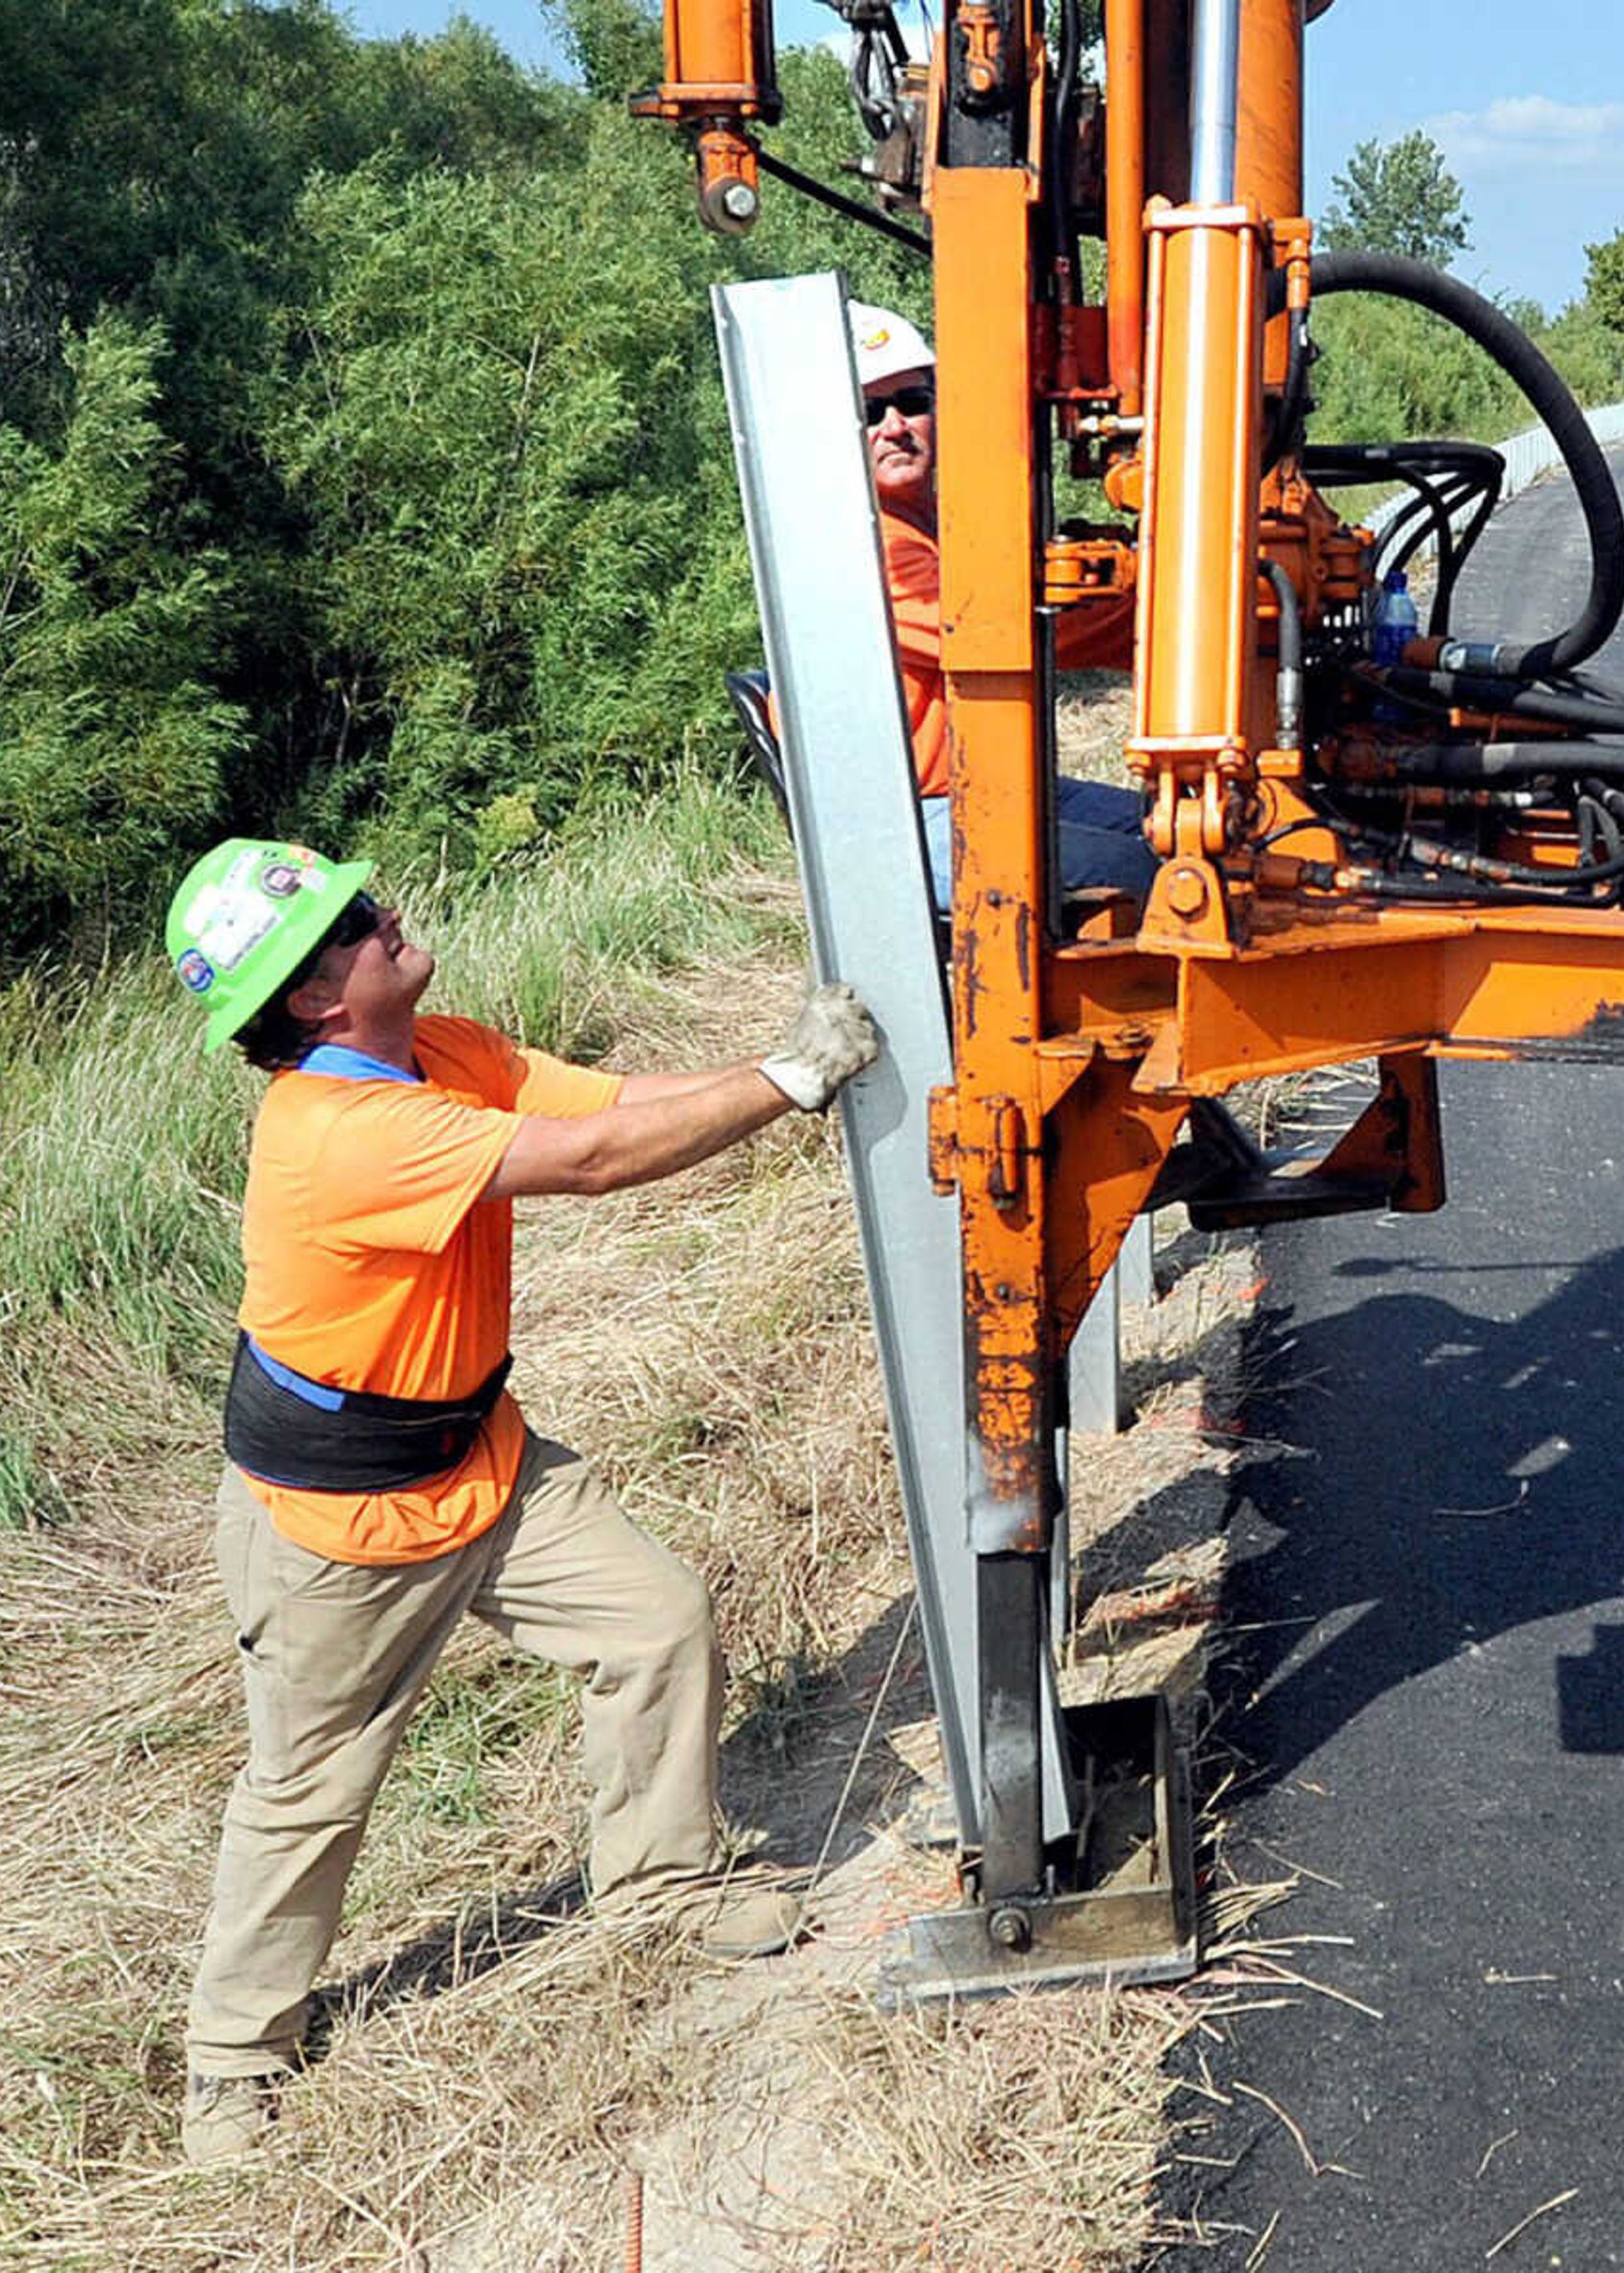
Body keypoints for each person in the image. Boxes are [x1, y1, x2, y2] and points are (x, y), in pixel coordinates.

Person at [160, 838, 882, 2164]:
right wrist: (787, 1080)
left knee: (657, 1621)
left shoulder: (439, 1050)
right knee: (310, 1790)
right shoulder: (344, 1134)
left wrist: (779, 1072)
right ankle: (233, 2062)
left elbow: (610, 1103)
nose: (391, 918)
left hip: (479, 1455)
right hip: (341, 1529)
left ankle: (660, 1890)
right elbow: (597, 1163)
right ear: (317, 999)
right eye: (358, 921)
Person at [847, 303, 1156, 900]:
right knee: (1162, 875)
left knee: (1172, 836)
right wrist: (1165, 613)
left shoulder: (939, 527)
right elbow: (998, 632)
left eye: (911, 402)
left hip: (983, 785)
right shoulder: (872, 547)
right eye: (869, 411)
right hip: (915, 816)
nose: (894, 426)